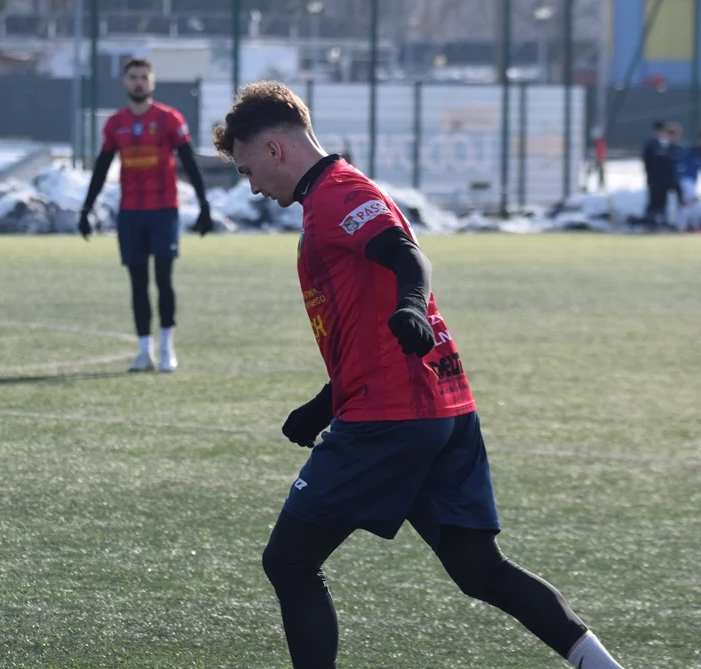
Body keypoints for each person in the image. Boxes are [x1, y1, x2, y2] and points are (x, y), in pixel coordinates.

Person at [212, 81, 629, 669]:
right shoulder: (333, 195)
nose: (253, 185)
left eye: (248, 168)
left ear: (275, 149)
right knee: (478, 568)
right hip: (441, 405)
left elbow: (407, 256)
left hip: (391, 416)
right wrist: (324, 404)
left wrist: (411, 305)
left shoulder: (337, 193)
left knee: (289, 561)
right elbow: (367, 321)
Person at [78, 58, 213, 372]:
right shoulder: (115, 124)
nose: (138, 82)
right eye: (133, 77)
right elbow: (102, 167)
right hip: (130, 213)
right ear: (124, 82)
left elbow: (189, 162)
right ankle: (144, 352)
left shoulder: (169, 119)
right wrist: (86, 209)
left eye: (143, 77)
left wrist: (204, 205)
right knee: (137, 282)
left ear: (152, 82)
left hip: (164, 210)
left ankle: (167, 349)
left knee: (163, 279)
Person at [641, 121, 674, 230]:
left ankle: (661, 221)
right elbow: (647, 162)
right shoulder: (650, 145)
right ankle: (650, 221)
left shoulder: (665, 144)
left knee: (662, 201)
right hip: (654, 179)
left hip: (664, 180)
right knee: (653, 200)